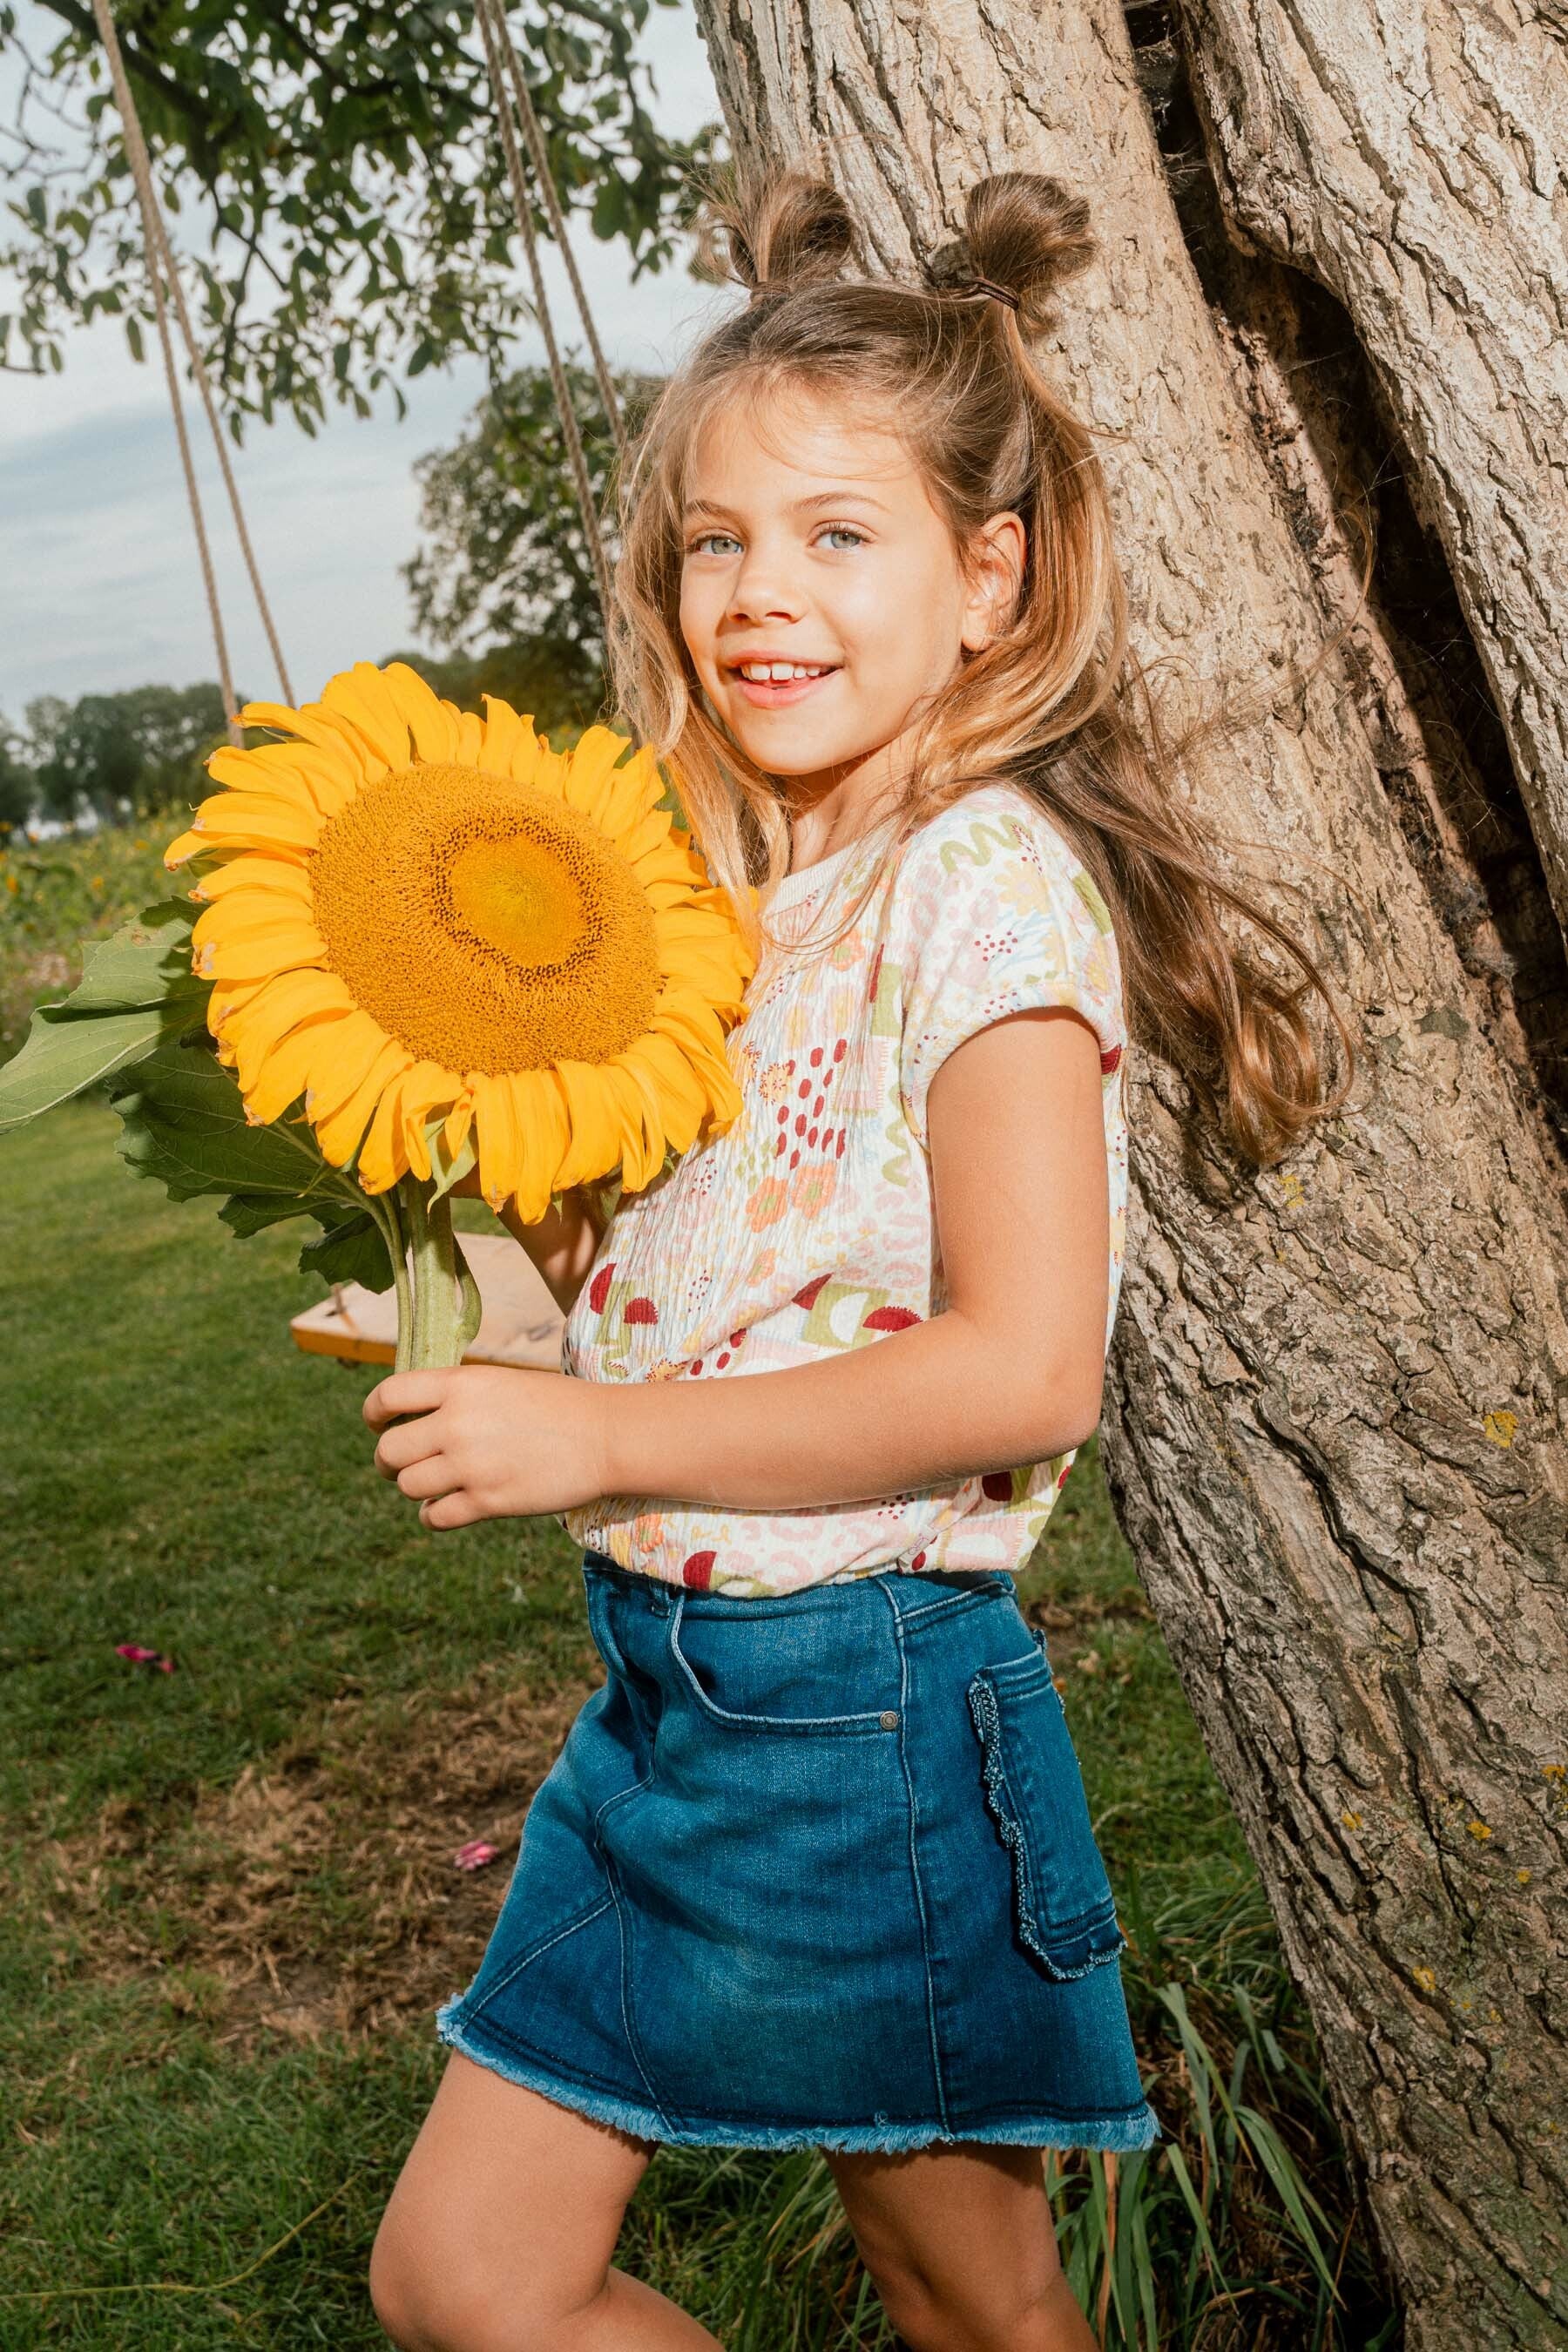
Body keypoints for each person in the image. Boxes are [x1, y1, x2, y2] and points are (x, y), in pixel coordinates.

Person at [362, 165, 1354, 2352]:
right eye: (716, 538)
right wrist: (502, 1317)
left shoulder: (981, 888)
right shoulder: (731, 897)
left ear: (989, 579)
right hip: (664, 1698)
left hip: (862, 1713)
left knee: (977, 2306)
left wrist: (594, 1432)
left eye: (838, 534)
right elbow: (729, 1273)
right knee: (463, 2282)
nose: (755, 595)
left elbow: (1023, 1372)